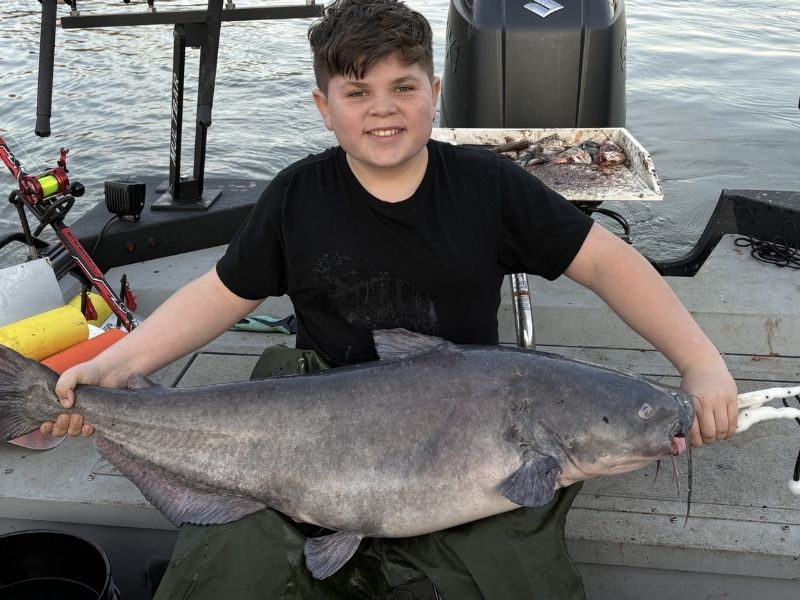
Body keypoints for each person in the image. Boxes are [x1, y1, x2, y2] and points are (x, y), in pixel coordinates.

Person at [43, 1, 738, 598]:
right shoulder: (297, 195)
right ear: (324, 108)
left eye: (403, 87)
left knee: (519, 573)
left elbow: (611, 264)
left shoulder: (487, 185)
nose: (383, 109)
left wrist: (699, 363)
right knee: (230, 564)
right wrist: (112, 372)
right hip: (308, 412)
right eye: (356, 92)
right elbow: (222, 294)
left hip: (471, 409)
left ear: (435, 90)